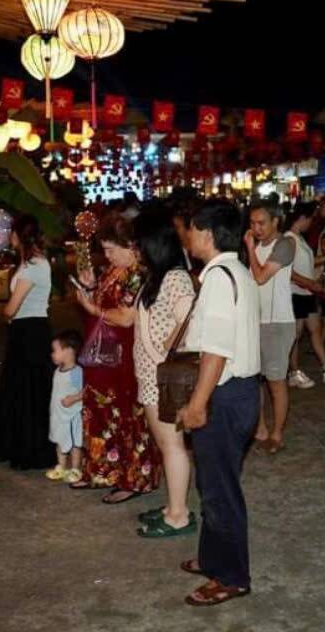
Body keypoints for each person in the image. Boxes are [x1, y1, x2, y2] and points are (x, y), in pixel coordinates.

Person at [175, 200, 261, 607]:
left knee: (219, 490)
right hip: (236, 392)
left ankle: (231, 576)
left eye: (191, 229)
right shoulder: (234, 272)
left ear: (207, 234)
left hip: (225, 394)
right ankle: (213, 558)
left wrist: (197, 404)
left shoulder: (219, 279)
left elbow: (216, 350)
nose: (187, 236)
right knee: (213, 483)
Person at [71, 214, 160, 502]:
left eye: (111, 249)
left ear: (130, 246)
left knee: (127, 415)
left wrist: (92, 307)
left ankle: (133, 478)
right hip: (103, 355)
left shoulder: (139, 273)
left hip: (124, 356)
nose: (107, 255)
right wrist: (89, 288)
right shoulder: (116, 269)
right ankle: (103, 469)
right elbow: (103, 301)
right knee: (101, 412)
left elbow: (125, 318)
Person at [131, 208, 198, 538]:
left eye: (140, 244)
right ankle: (174, 504)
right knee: (165, 443)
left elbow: (188, 322)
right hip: (150, 375)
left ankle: (179, 515)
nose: (137, 250)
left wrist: (165, 355)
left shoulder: (175, 278)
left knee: (172, 445)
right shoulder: (157, 277)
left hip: (162, 377)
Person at [0, 215, 56, 471]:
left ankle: (29, 451)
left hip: (30, 331)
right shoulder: (30, 263)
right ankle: (14, 446)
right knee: (19, 391)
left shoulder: (34, 266)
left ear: (18, 236)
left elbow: (11, 308)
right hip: (26, 331)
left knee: (28, 392)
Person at [244, 201, 296, 454]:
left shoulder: (285, 244)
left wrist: (250, 250)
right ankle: (261, 429)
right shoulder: (258, 247)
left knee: (276, 381)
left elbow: (261, 276)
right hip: (255, 321)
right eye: (253, 223)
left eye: (261, 222)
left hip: (277, 322)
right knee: (255, 381)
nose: (257, 228)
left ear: (276, 221)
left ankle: (277, 434)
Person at [283, 202, 325, 387]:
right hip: (297, 293)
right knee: (296, 335)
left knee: (314, 330)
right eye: (310, 220)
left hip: (306, 293)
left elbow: (309, 261)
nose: (311, 224)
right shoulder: (290, 239)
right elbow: (287, 270)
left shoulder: (299, 238)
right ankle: (294, 372)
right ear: (302, 218)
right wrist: (311, 284)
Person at [47, 330, 85, 484]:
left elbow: (86, 390)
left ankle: (76, 468)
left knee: (75, 443)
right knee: (59, 439)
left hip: (71, 415)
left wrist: (74, 398)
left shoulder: (76, 372)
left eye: (55, 350)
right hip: (58, 414)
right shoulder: (58, 370)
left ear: (68, 351)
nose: (52, 354)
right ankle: (61, 466)